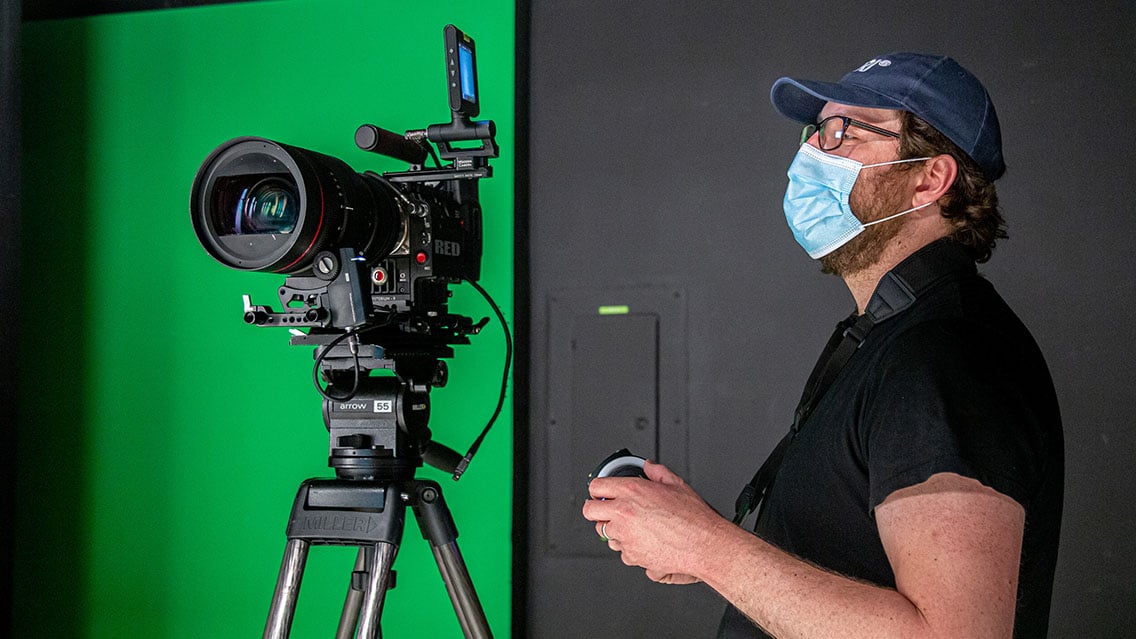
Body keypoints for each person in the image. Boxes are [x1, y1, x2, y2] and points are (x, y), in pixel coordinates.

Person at [582, 52, 1064, 639]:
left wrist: (706, 546)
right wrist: (698, 539)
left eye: (844, 132)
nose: (809, 155)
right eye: (815, 132)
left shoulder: (944, 354)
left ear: (929, 178)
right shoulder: (890, 334)